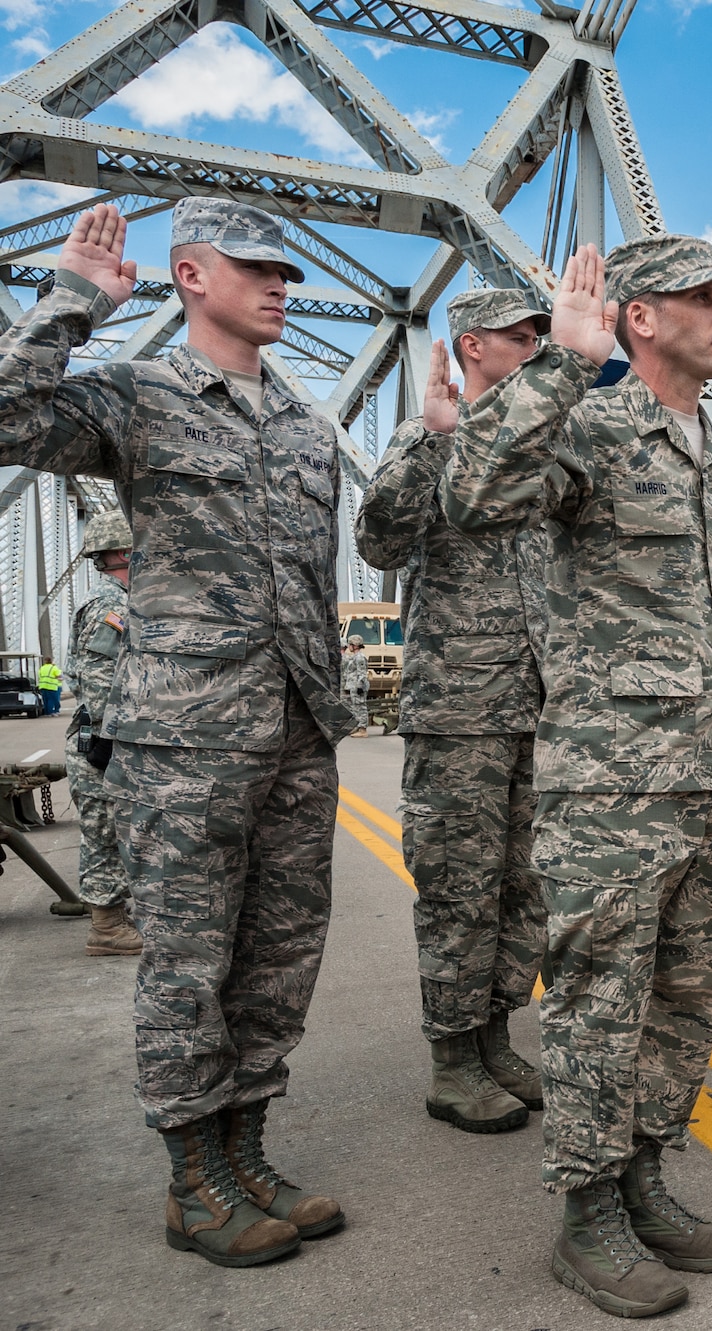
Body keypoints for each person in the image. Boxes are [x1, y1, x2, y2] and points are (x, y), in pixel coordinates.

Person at [0, 199, 348, 1266]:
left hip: (295, 726)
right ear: (191, 276)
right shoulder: (139, 396)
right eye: (254, 268)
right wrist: (68, 305)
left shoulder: (301, 421)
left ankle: (246, 1149)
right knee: (190, 962)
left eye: (288, 269)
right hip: (187, 735)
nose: (280, 283)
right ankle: (193, 1179)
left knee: (277, 957)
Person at [443, 239, 712, 1316]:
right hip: (610, 785)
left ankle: (642, 1173)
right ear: (637, 317)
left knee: (684, 991)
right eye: (702, 298)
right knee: (597, 997)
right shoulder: (590, 421)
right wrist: (558, 367)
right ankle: (585, 1210)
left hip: (709, 773)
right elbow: (476, 494)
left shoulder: (710, 439)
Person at [355, 288, 553, 1137]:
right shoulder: (429, 434)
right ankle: (451, 1055)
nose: (537, 348)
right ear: (473, 347)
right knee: (458, 889)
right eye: (520, 337)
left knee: (525, 889)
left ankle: (495, 1033)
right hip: (461, 708)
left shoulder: (544, 444)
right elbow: (379, 542)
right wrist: (433, 446)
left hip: (541, 704)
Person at [66, 510, 138, 957]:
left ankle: (116, 917)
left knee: (115, 830)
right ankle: (106, 927)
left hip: (105, 738)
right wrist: (108, 740)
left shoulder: (119, 598)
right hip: (100, 743)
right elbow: (96, 677)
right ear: (124, 551)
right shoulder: (110, 606)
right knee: (105, 833)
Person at [339, 636, 369, 726]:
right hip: (353, 685)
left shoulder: (359, 657)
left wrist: (360, 686)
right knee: (356, 707)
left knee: (360, 707)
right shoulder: (355, 657)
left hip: (357, 685)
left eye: (350, 644)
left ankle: (362, 728)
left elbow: (362, 673)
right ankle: (358, 726)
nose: (348, 646)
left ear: (355, 645)